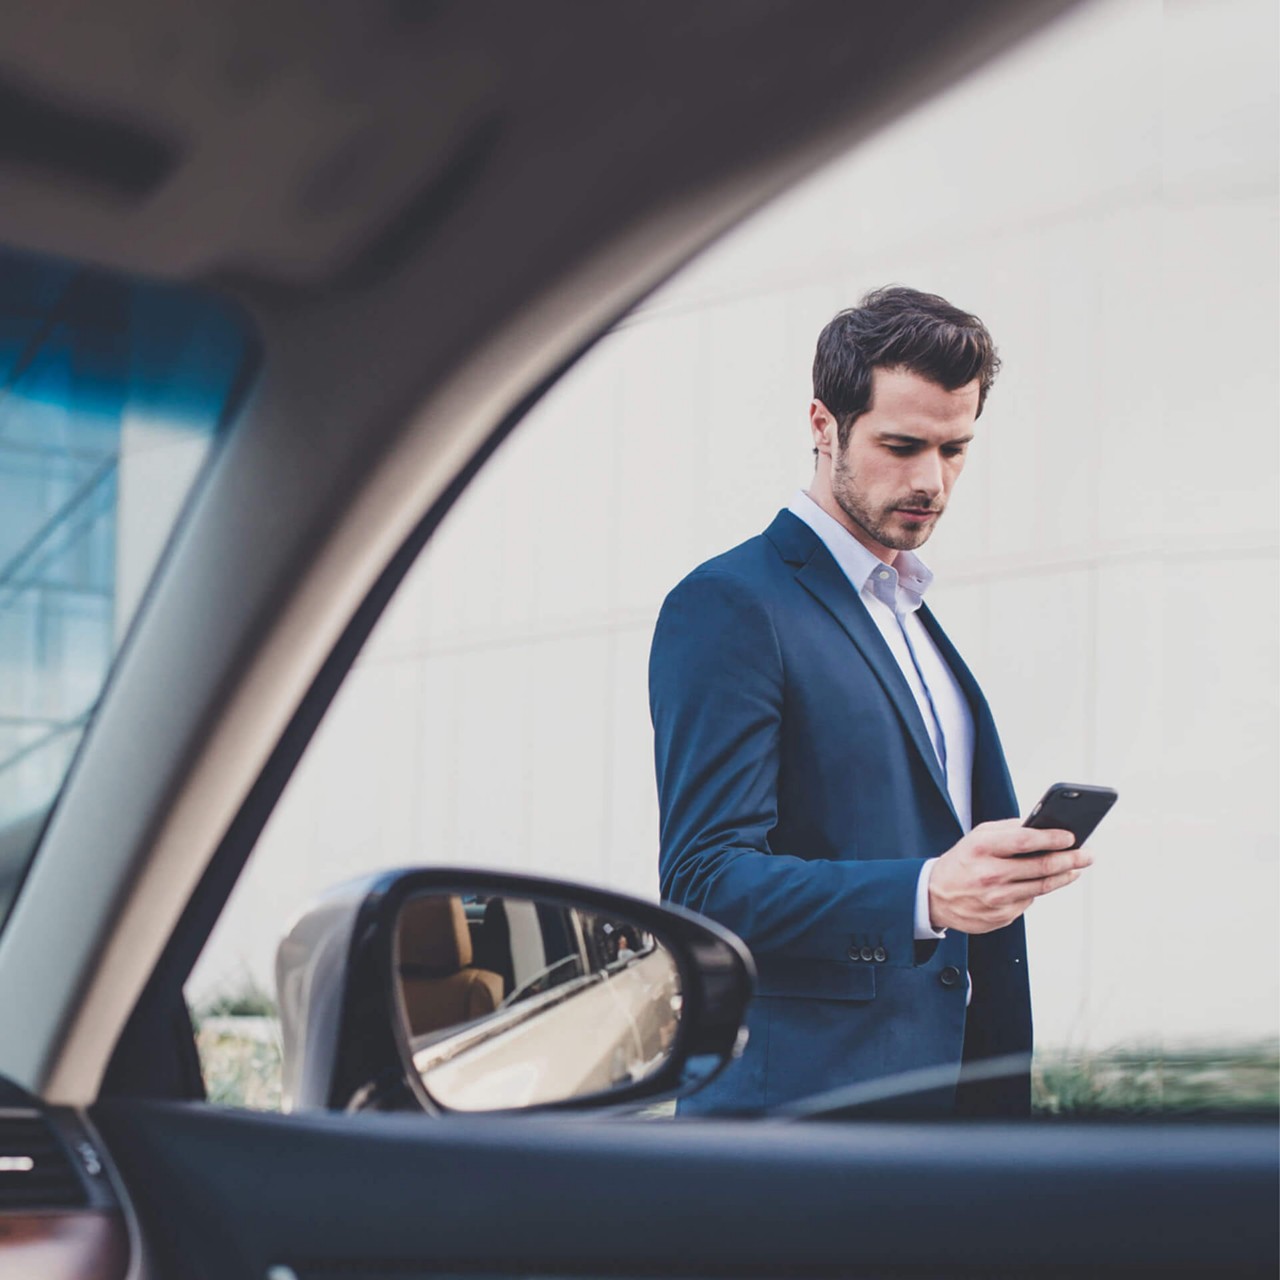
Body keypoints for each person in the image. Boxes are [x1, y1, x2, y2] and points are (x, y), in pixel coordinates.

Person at [648, 286, 1092, 1116]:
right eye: (901, 445)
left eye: (955, 450)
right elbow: (703, 882)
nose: (932, 480)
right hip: (803, 1129)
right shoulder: (733, 605)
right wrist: (924, 894)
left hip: (949, 1114)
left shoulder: (913, 618)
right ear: (824, 426)